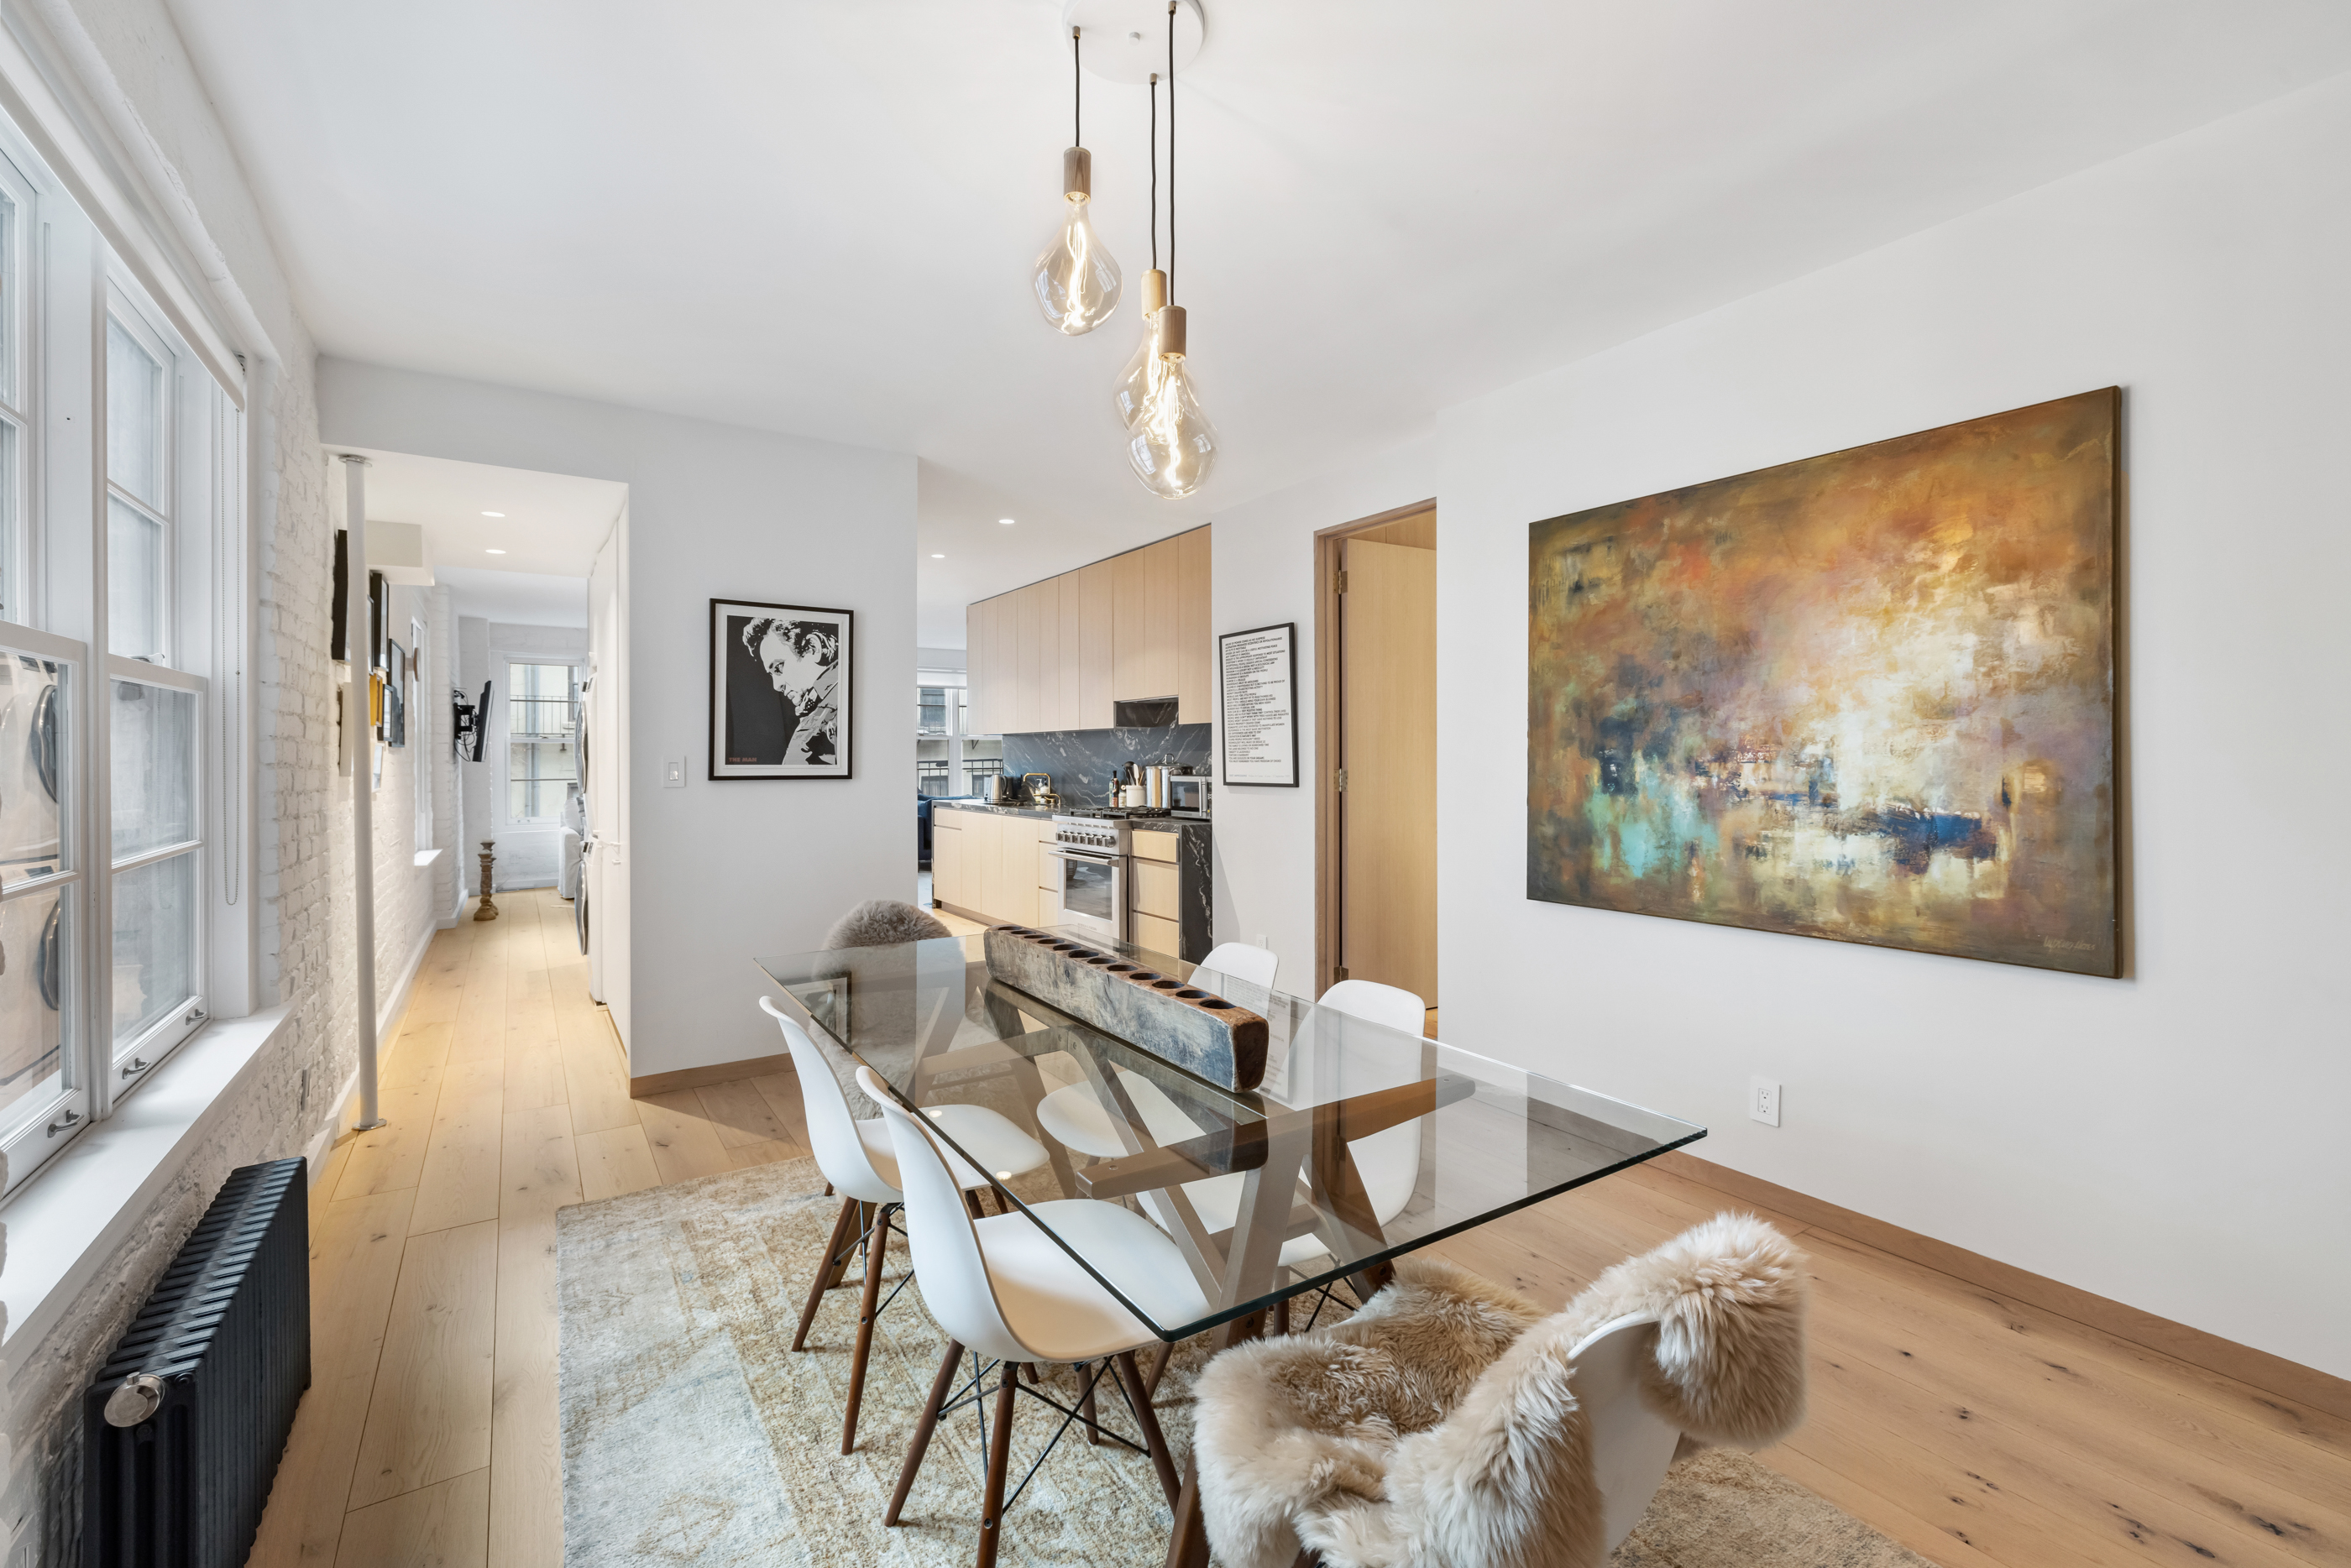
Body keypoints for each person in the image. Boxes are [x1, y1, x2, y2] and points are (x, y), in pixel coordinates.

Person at [742, 617, 840, 767]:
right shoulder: (820, 713)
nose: (776, 686)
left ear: (812, 648)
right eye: (771, 674)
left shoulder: (837, 714)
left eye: (778, 668)